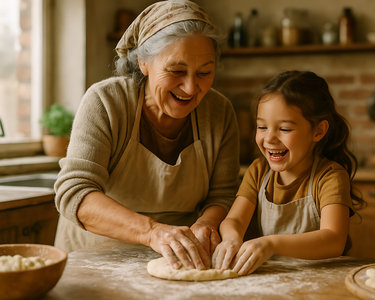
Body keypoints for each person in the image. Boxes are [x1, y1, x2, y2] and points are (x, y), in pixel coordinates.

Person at [53, 0, 240, 272]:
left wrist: (205, 225)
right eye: (176, 71)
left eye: (204, 73)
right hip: (96, 258)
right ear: (143, 62)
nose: (190, 87)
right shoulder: (106, 102)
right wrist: (152, 232)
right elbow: (75, 192)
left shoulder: (220, 112)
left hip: (181, 258)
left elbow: (223, 196)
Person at [212, 70, 365, 275]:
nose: (269, 139)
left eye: (284, 129)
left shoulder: (330, 176)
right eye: (262, 127)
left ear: (318, 131)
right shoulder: (258, 171)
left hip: (323, 277)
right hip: (277, 274)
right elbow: (234, 220)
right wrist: (231, 238)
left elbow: (333, 239)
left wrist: (271, 244)